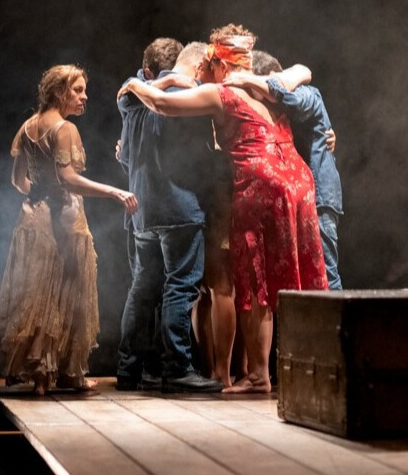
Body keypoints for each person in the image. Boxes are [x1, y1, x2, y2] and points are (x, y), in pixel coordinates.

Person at [118, 24, 328, 393]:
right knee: (300, 279)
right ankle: (316, 367)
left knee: (255, 282)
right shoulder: (271, 86)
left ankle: (260, 373)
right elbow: (303, 70)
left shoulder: (222, 92)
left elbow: (163, 105)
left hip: (259, 184)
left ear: (216, 63)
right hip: (298, 181)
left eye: (206, 66)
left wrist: (136, 85)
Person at [0, 64, 138, 396]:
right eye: (78, 90)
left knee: (39, 295)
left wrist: (39, 195)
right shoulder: (65, 129)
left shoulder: (27, 126)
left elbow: (18, 181)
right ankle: (60, 374)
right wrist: (115, 191)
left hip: (32, 220)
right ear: (60, 92)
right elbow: (69, 178)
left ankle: (48, 375)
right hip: (63, 222)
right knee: (65, 295)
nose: (85, 97)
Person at [116, 39, 223, 393]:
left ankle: (129, 368)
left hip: (142, 210)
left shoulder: (133, 98)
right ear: (193, 67)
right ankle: (176, 366)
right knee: (180, 285)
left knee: (143, 288)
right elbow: (200, 157)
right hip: (177, 205)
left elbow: (125, 155)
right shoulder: (186, 94)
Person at [228, 49, 344, 290]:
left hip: (319, 199)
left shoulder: (305, 93)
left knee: (325, 277)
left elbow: (293, 100)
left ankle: (336, 328)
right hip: (295, 201)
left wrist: (254, 81)